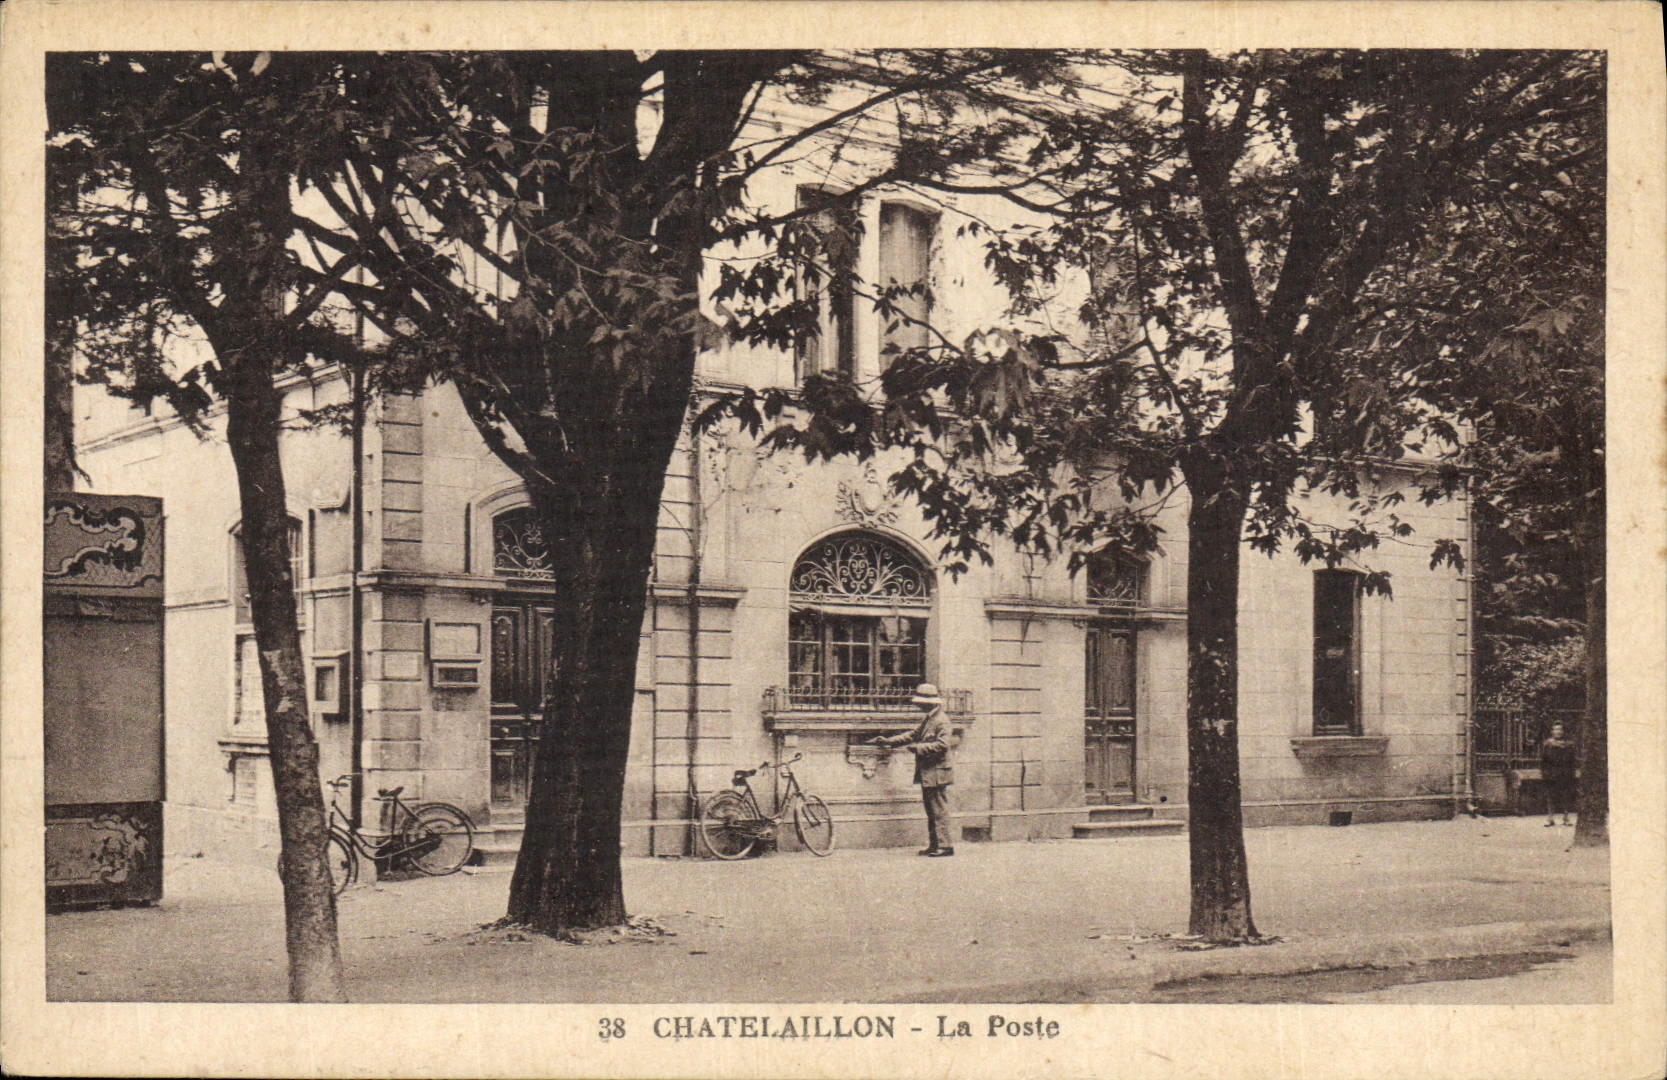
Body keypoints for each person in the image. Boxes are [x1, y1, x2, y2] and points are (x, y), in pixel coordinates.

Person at [872, 683, 956, 856]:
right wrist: (889, 741)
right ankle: (935, 845)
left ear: (930, 703)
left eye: (921, 702)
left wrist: (918, 748)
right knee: (931, 810)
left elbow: (943, 745)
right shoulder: (929, 719)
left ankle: (945, 846)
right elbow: (912, 735)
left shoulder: (941, 721)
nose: (918, 705)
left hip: (937, 772)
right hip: (930, 772)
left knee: (938, 810)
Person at [1539, 722, 1577, 827]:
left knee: (1566, 796)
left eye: (1560, 729)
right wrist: (1545, 774)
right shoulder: (1547, 745)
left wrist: (1571, 774)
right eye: (1556, 729)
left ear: (1563, 731)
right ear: (1552, 732)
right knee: (1550, 797)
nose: (1558, 731)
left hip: (1565, 774)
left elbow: (1572, 761)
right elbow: (1543, 761)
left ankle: (1566, 818)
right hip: (1551, 775)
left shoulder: (1569, 745)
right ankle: (1550, 818)